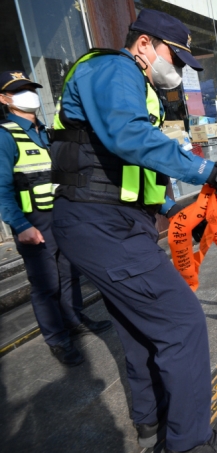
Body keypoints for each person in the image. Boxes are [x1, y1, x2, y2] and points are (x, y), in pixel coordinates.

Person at [49, 9, 217, 452]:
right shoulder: (114, 68)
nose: (180, 69)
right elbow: (128, 139)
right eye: (177, 57)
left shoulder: (133, 84)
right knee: (183, 324)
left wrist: (180, 210)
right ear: (144, 44)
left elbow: (122, 167)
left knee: (137, 326)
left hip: (112, 220)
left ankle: (153, 420)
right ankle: (189, 443)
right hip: (102, 225)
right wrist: (214, 173)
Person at [0, 71, 112, 367]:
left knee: (69, 273)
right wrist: (21, 226)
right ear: (4, 99)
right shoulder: (4, 136)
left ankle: (74, 320)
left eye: (29, 88)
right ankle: (57, 338)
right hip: (33, 221)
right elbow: (1, 188)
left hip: (62, 216)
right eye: (19, 90)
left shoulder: (47, 132)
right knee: (46, 283)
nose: (29, 95)